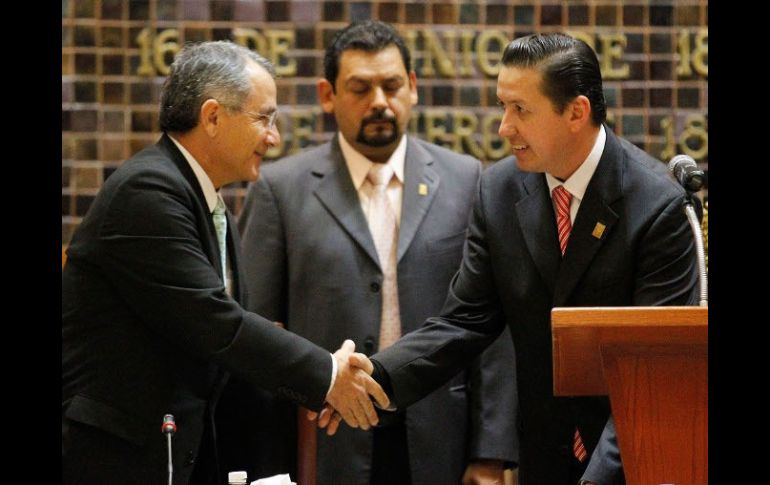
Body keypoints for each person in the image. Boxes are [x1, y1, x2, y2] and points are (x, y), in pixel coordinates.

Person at [326, 32, 699, 485]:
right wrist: (377, 376)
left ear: (576, 112)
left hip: (632, 457)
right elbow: (463, 321)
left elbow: (651, 376)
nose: (504, 127)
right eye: (503, 106)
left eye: (520, 109)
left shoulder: (657, 206)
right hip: (543, 456)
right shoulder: (500, 190)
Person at [61, 41, 387, 485]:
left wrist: (315, 389)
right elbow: (218, 324)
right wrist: (326, 375)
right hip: (117, 460)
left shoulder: (209, 204)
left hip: (179, 455)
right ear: (212, 116)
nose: (273, 137)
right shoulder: (147, 192)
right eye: (263, 118)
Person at [216, 20, 519, 485]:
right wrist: (266, 464)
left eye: (391, 85)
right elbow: (253, 329)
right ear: (327, 94)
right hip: (322, 443)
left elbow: (492, 331)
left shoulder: (467, 180)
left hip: (441, 438)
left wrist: (492, 453)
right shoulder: (281, 190)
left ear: (413, 88)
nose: (379, 101)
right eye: (360, 88)